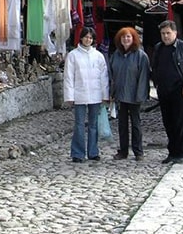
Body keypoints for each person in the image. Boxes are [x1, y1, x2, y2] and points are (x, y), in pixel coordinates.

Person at [150, 19, 183, 164]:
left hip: (180, 90)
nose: (166, 36)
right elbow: (155, 67)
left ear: (175, 33)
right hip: (164, 91)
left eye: (168, 33)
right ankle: (172, 153)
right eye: (163, 33)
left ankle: (182, 154)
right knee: (168, 123)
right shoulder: (159, 48)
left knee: (179, 123)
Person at [62, 26, 109, 162]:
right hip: (79, 94)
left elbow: (104, 77)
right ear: (81, 38)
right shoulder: (73, 55)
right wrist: (69, 96)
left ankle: (93, 151)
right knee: (79, 124)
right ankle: (78, 153)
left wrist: (105, 94)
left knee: (94, 124)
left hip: (95, 94)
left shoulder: (98, 56)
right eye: (86, 37)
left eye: (90, 37)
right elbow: (69, 77)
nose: (88, 39)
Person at [108, 26, 151, 161]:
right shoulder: (116, 55)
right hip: (120, 95)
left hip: (134, 95)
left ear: (133, 39)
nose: (126, 39)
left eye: (128, 37)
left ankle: (138, 151)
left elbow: (144, 76)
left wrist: (141, 95)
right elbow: (111, 75)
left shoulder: (140, 55)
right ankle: (123, 151)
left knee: (136, 124)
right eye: (123, 37)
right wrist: (111, 93)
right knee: (122, 125)